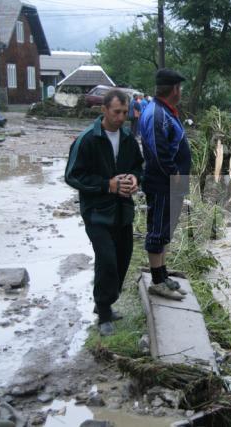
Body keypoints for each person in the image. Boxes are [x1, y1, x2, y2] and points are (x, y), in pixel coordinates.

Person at [65, 89, 143, 336]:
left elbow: (139, 168)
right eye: (116, 112)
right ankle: (104, 310)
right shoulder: (88, 139)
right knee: (107, 259)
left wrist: (134, 179)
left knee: (123, 258)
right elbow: (72, 175)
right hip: (96, 211)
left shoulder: (129, 138)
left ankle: (107, 301)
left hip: (123, 210)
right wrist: (106, 184)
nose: (121, 117)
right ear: (104, 110)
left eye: (124, 112)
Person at [139, 69, 191, 300]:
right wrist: (174, 174)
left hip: (172, 183)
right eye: (180, 88)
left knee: (165, 230)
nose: (181, 92)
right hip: (163, 183)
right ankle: (157, 281)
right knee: (158, 230)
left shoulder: (166, 112)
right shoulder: (157, 114)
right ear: (174, 89)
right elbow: (158, 152)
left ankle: (162, 274)